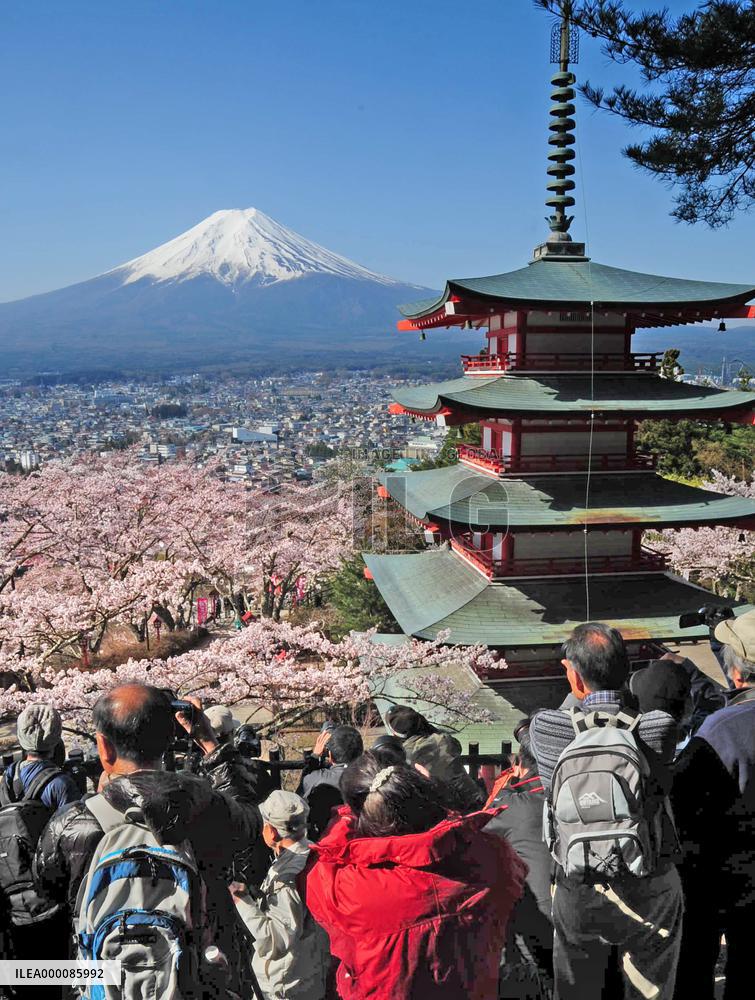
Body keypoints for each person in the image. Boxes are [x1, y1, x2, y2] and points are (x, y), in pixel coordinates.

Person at [34, 683, 262, 998]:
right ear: (169, 741)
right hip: (194, 982)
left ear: (104, 747)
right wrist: (208, 742)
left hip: (108, 981)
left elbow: (49, 889)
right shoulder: (206, 809)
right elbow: (250, 822)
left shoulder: (71, 824)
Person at [529, 623, 682, 1000]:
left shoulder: (546, 728)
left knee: (578, 987)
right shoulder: (658, 728)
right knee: (652, 987)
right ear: (627, 674)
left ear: (575, 678)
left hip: (578, 880)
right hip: (649, 877)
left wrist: (576, 686)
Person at [304, 753, 527, 1000]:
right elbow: (516, 880)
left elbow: (318, 869)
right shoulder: (493, 855)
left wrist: (345, 818)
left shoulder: (353, 888)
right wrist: (439, 802)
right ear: (422, 791)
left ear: (363, 815)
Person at [671, 609, 755, 1000]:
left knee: (693, 970)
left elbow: (684, 806)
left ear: (736, 674)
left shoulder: (721, 729)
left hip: (717, 877)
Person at [0, 705, 80, 995]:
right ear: (56, 739)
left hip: (10, 895)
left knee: (22, 977)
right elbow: (75, 843)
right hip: (50, 898)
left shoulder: (5, 781)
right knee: (53, 977)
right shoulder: (60, 784)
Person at [231, 790, 329, 1000]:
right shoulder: (313, 853)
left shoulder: (287, 877)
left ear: (272, 832)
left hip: (286, 986)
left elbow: (276, 942)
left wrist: (242, 901)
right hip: (310, 974)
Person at [484, 724, 553, 998]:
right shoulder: (564, 794)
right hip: (582, 906)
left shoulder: (515, 804)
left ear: (520, 766)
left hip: (537, 914)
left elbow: (476, 836)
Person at [384, 705, 485, 812]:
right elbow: (457, 747)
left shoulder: (403, 758)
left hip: (447, 814)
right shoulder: (444, 740)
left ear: (395, 733)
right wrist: (428, 727)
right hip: (475, 800)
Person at [300, 725, 363, 840]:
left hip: (324, 839)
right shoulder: (371, 777)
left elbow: (301, 791)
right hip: (362, 838)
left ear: (329, 754)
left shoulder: (316, 779)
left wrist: (314, 757)